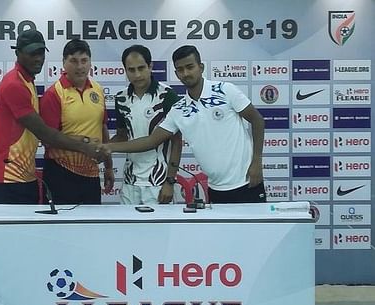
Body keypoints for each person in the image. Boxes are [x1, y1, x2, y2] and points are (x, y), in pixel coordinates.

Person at [103, 45, 266, 204]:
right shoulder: (179, 109)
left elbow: (257, 120)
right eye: (180, 70)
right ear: (176, 73)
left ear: (200, 67)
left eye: (190, 67)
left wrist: (257, 161)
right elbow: (151, 141)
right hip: (215, 188)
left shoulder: (225, 90)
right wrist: (109, 147)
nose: (186, 73)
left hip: (247, 182)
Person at [0, 29, 107, 204]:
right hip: (9, 176)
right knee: (17, 232)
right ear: (18, 53)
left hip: (24, 173)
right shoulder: (14, 85)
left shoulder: (26, 80)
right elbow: (45, 134)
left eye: (41, 52)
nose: (38, 58)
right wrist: (84, 146)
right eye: (31, 53)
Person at [40, 39, 114, 204]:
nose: (79, 67)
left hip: (91, 174)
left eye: (84, 61)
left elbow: (103, 128)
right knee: (59, 229)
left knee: (90, 227)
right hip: (60, 172)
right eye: (73, 61)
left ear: (90, 62)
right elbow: (48, 139)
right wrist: (84, 144)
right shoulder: (53, 94)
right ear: (64, 63)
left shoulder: (98, 90)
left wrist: (108, 167)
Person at [111, 45, 182, 204]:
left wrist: (170, 182)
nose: (137, 75)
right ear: (125, 70)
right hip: (130, 182)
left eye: (141, 68)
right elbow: (122, 135)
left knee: (161, 230)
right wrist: (99, 148)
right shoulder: (121, 98)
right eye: (131, 70)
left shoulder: (167, 96)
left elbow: (177, 142)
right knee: (128, 229)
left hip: (159, 181)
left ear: (150, 67)